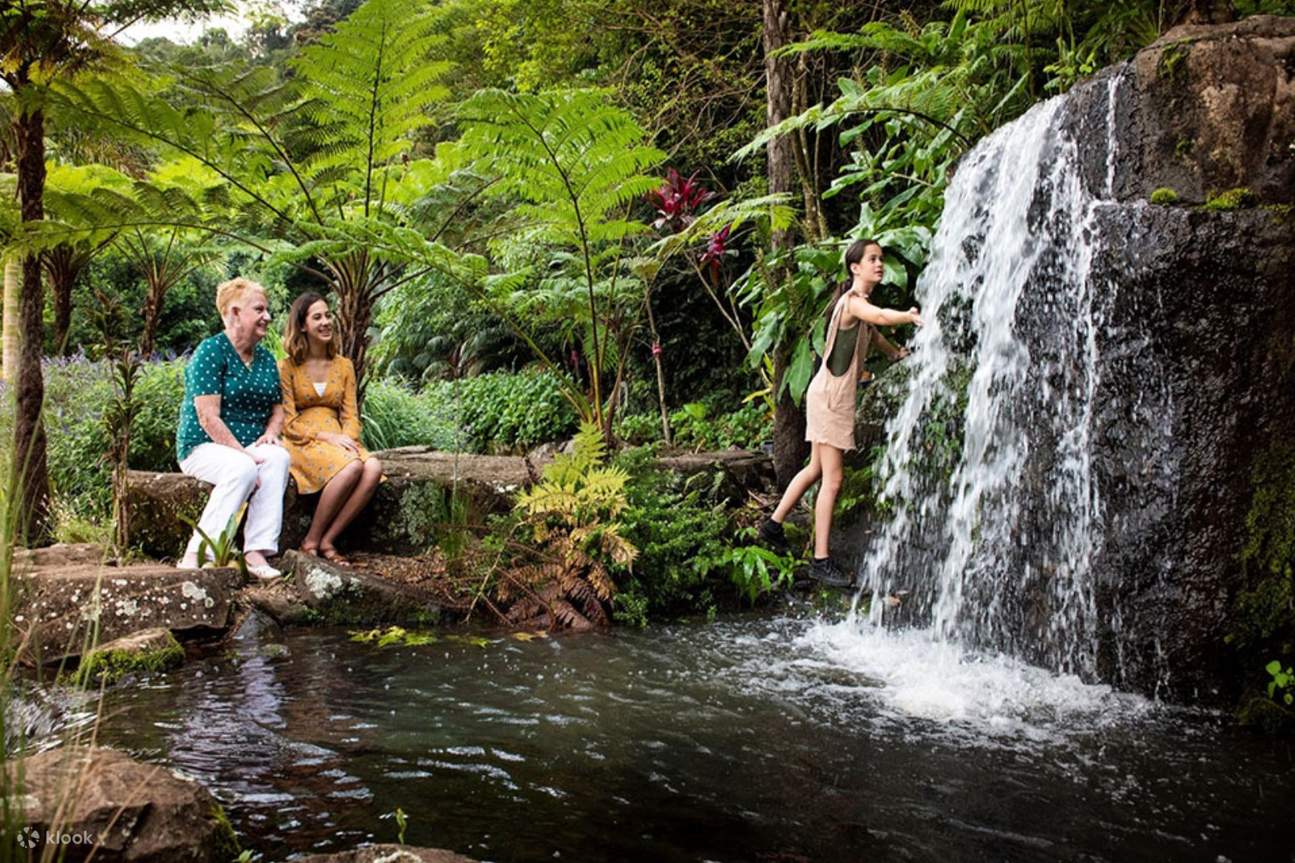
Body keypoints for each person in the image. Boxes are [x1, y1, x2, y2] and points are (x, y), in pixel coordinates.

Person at [759, 239, 924, 587]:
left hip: (825, 394)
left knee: (816, 469)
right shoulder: (852, 303)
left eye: (881, 259)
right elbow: (878, 317)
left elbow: (875, 334)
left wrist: (895, 354)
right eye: (872, 259)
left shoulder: (859, 305)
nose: (879, 264)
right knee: (832, 479)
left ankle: (772, 525)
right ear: (855, 268)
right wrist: (910, 317)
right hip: (832, 399)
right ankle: (821, 559)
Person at [176, 277, 291, 580]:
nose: (267, 316)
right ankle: (199, 555)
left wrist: (271, 434)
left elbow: (278, 410)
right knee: (242, 469)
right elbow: (207, 417)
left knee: (278, 457)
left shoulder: (266, 358)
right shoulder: (210, 352)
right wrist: (245, 455)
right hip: (204, 446)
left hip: (249, 444)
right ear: (235, 313)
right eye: (260, 309)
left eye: (267, 310)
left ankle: (257, 552)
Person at [278, 292, 383, 565]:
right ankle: (310, 540)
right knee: (352, 467)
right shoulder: (287, 368)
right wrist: (325, 436)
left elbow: (350, 415)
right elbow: (288, 423)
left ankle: (328, 540)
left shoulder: (344, 366)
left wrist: (347, 439)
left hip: (339, 438)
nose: (326, 322)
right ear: (302, 325)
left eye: (328, 315)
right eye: (317, 317)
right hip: (304, 440)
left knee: (373, 467)